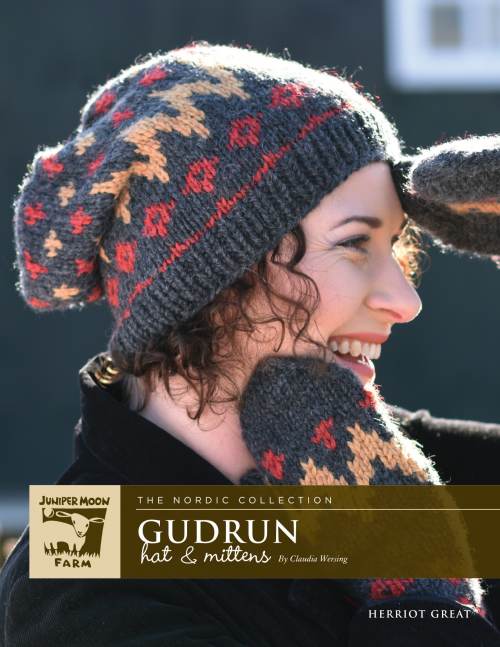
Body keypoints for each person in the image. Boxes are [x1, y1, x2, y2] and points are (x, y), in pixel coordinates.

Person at [1, 41, 500, 646]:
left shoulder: (384, 463)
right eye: (353, 243)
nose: (405, 300)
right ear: (209, 278)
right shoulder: (79, 563)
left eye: (394, 245)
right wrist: (424, 595)